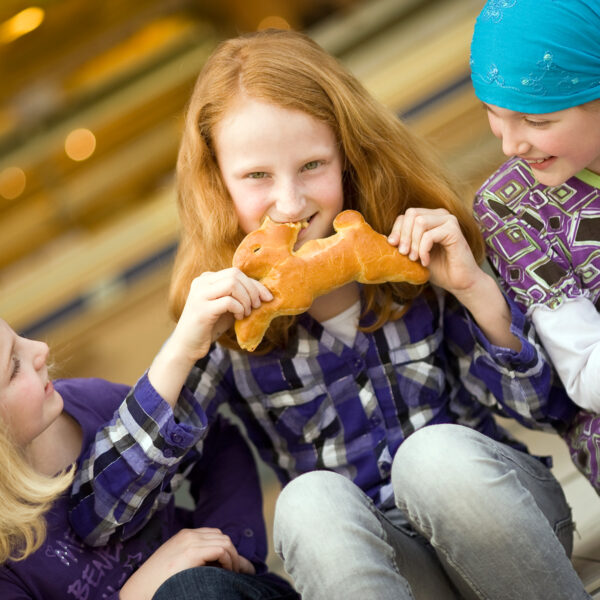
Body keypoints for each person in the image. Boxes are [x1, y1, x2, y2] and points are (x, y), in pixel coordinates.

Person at [69, 29, 590, 599]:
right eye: (257, 176)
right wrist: (180, 351)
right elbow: (100, 515)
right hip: (389, 574)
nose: (291, 203)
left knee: (432, 454)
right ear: (217, 182)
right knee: (306, 500)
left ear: (349, 155)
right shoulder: (225, 328)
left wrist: (473, 289)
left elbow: (551, 409)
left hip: (507, 528)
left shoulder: (414, 254)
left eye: (313, 165)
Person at [0, 317, 298, 600]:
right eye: (13, 366)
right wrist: (139, 592)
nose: (40, 348)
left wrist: (229, 545)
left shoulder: (88, 400)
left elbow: (216, 441)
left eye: (19, 336)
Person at [470, 0, 600, 491]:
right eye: (492, 114)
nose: (510, 144)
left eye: (537, 121)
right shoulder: (512, 207)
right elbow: (584, 375)